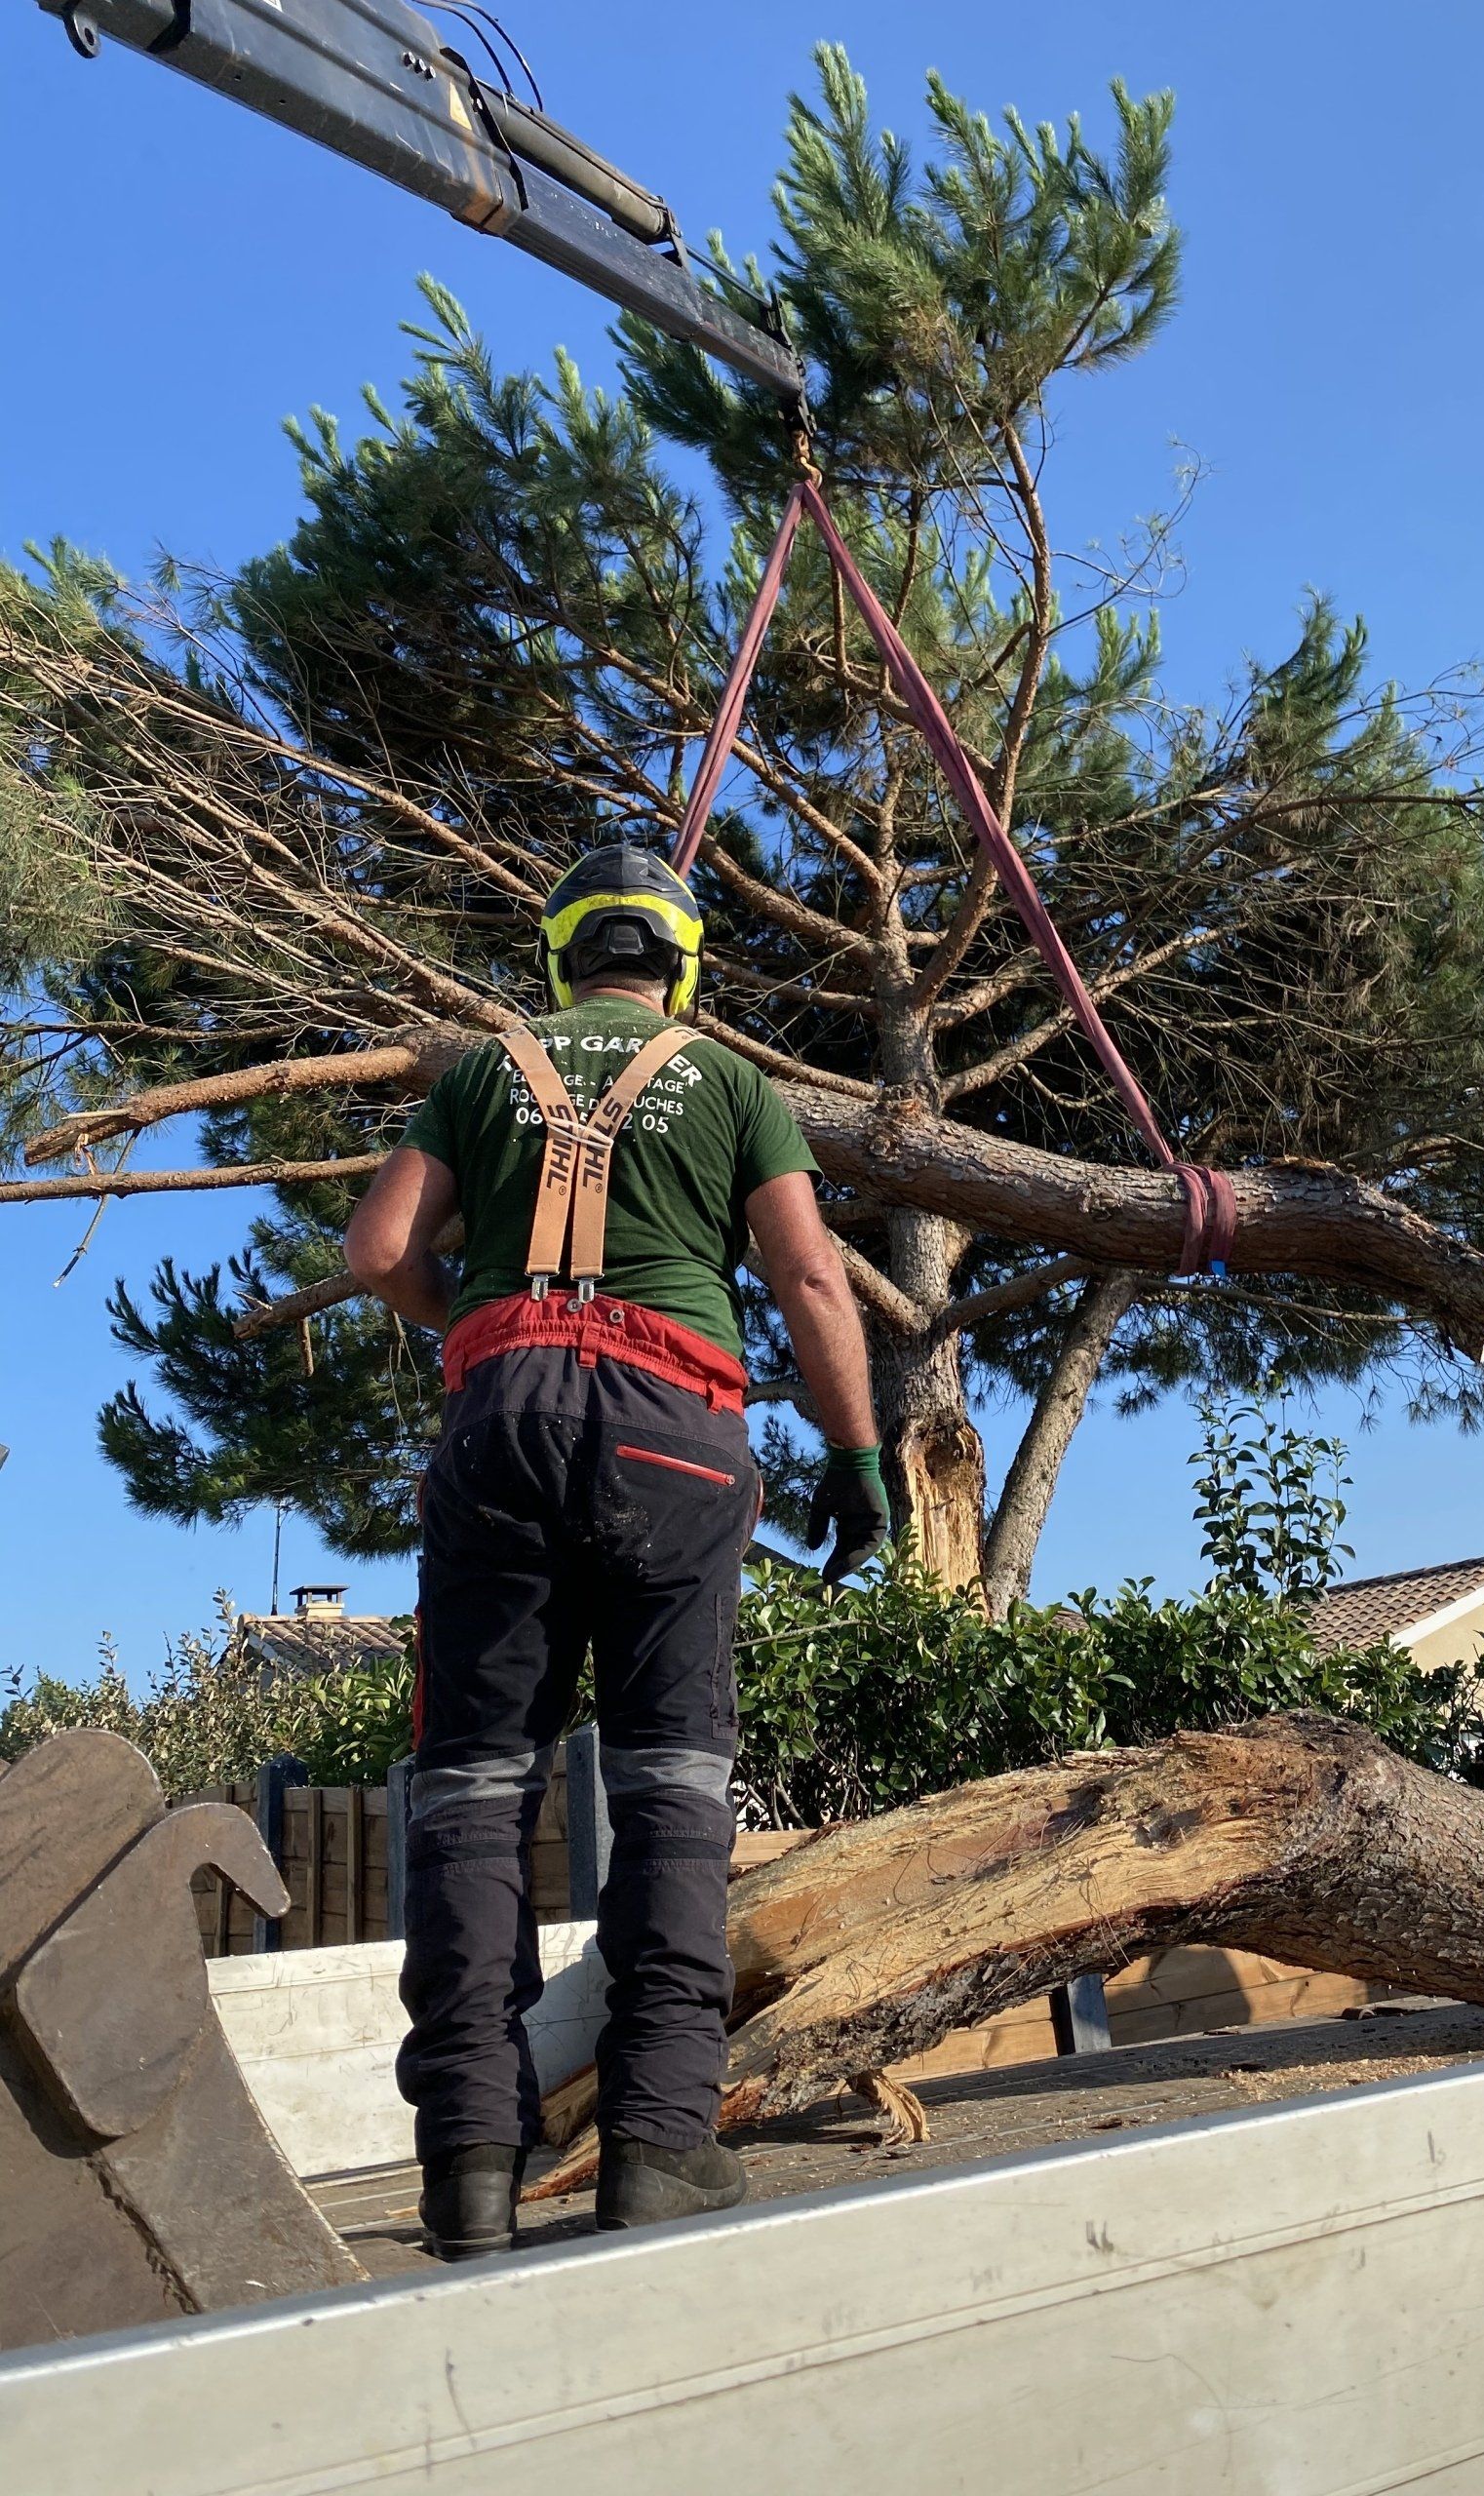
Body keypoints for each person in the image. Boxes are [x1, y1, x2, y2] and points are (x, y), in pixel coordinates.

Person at [343, 838, 890, 2260]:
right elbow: (810, 1273)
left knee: (473, 1785)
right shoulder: (736, 1084)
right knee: (670, 1781)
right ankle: (657, 2142)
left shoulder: (484, 1071)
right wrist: (855, 1458)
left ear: (564, 952)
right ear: (679, 964)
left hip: (500, 1425)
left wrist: (476, 1314)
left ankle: (470, 2158)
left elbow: (380, 1249)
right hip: (674, 1434)